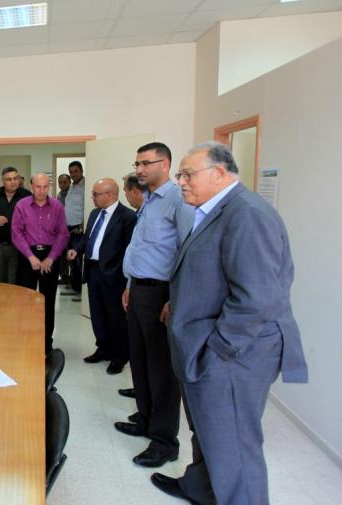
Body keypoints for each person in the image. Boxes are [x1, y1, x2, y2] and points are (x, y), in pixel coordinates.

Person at [151, 143, 308, 505]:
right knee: (208, 431)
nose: (182, 182)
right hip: (205, 347)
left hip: (232, 355)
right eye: (181, 175)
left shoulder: (247, 214)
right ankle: (201, 488)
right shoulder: (212, 211)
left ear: (220, 173)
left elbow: (256, 298)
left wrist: (217, 351)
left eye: (188, 174)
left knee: (234, 445)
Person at [117, 142, 193, 469]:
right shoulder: (149, 200)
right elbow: (141, 247)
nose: (139, 170)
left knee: (162, 370)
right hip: (139, 290)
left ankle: (164, 442)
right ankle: (145, 419)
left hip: (161, 293)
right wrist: (130, 285)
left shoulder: (179, 200)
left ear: (166, 164)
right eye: (137, 163)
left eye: (146, 163)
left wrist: (175, 297)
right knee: (141, 359)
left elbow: (188, 252)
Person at [67, 178, 136, 375]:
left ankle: (119, 356)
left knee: (115, 317)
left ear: (110, 195)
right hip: (93, 270)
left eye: (96, 193)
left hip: (114, 275)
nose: (92, 196)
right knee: (97, 314)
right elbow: (88, 239)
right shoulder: (94, 213)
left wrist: (124, 276)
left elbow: (129, 250)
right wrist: (76, 250)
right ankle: (103, 349)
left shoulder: (127, 217)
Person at [11, 173, 69, 352]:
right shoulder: (21, 205)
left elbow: (62, 234)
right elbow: (16, 233)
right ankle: (25, 338)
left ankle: (46, 343)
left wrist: (51, 257)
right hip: (27, 256)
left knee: (48, 301)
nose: (42, 191)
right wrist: (31, 256)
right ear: (31, 186)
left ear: (49, 186)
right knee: (25, 301)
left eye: (45, 187)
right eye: (38, 187)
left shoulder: (58, 206)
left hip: (51, 257)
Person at [117, 172, 146, 401]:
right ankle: (140, 392)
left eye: (125, 191)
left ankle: (146, 398)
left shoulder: (135, 215)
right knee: (139, 348)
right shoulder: (143, 212)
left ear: (135, 192)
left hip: (152, 290)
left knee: (148, 351)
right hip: (135, 284)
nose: (124, 195)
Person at [0, 166, 32, 284]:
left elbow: (33, 219)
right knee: (0, 280)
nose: (13, 182)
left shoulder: (27, 196)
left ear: (19, 179)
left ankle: (14, 303)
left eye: (15, 178)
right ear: (3, 181)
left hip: (19, 246)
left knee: (15, 280)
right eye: (9, 179)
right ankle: (1, 303)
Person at [63, 161, 85, 301]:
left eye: (75, 171)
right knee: (71, 260)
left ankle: (82, 292)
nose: (73, 174)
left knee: (78, 261)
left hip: (79, 229)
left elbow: (86, 206)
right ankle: (75, 287)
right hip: (68, 229)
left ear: (81, 171)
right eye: (71, 171)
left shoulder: (85, 187)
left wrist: (82, 226)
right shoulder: (71, 187)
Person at [56, 173, 72, 285]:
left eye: (65, 182)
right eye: (60, 182)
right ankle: (64, 276)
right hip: (62, 229)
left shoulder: (73, 194)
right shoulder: (59, 195)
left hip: (73, 228)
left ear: (69, 182)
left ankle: (74, 279)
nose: (62, 184)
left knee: (72, 255)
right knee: (62, 255)